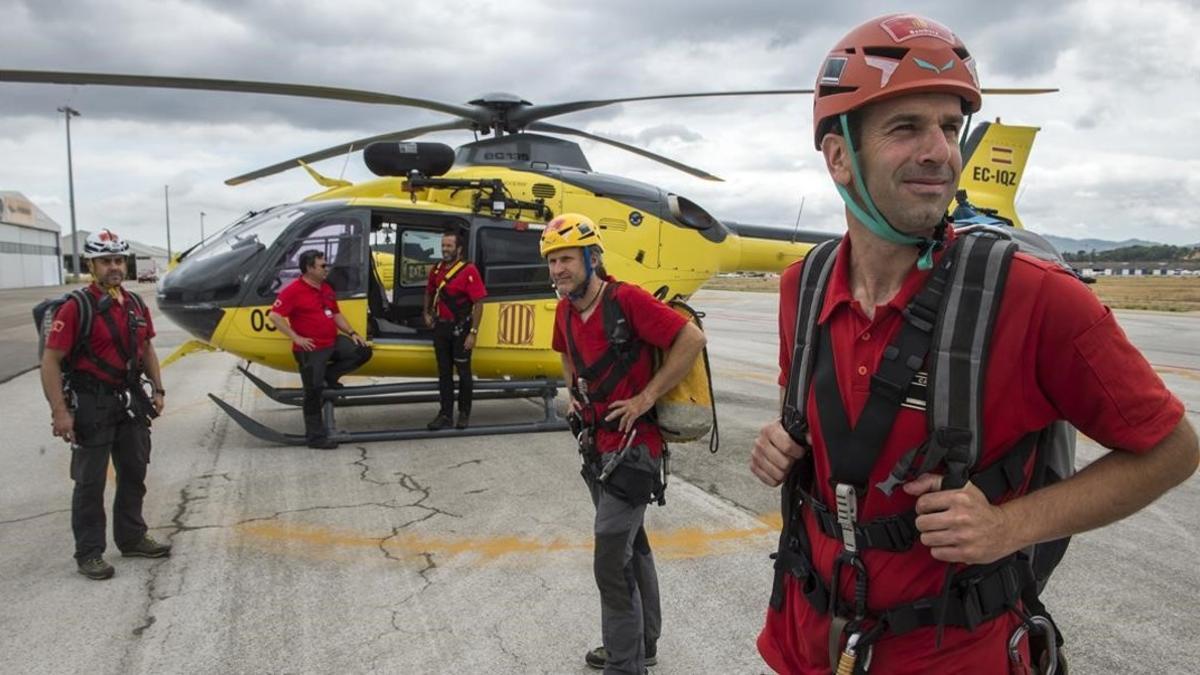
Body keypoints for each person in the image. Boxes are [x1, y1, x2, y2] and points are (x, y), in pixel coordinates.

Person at [749, 14, 1199, 675]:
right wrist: (786, 442)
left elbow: (1171, 449)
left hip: (954, 652)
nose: (941, 151)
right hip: (808, 637)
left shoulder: (1036, 296)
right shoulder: (805, 286)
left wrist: (1007, 528)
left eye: (949, 127)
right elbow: (831, 433)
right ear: (839, 153)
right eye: (907, 128)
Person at [542, 214, 706, 675]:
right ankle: (643, 644)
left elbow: (690, 338)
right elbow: (564, 352)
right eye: (552, 261)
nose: (559, 270)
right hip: (596, 448)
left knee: (611, 559)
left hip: (635, 450)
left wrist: (645, 397)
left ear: (593, 258)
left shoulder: (626, 299)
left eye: (567, 259)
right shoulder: (565, 311)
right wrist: (572, 390)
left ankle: (624, 663)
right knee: (634, 548)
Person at [40, 229, 172, 580]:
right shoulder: (75, 308)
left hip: (129, 401)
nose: (113, 267)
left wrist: (158, 390)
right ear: (91, 265)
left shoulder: (134, 304)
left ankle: (131, 537)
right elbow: (51, 361)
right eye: (105, 261)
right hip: (90, 404)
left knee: (134, 472)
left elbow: (146, 349)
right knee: (90, 483)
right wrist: (60, 411)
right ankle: (89, 553)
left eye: (118, 260)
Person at [268, 250, 372, 449]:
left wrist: (352, 333)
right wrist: (296, 338)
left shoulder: (326, 288)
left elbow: (335, 313)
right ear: (309, 268)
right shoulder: (293, 290)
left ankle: (329, 377)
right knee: (313, 393)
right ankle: (315, 437)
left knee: (362, 352)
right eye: (323, 266)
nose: (327, 268)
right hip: (311, 349)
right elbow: (275, 316)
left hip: (331, 342)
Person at [423, 230, 486, 431]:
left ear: (458, 249)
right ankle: (445, 415)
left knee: (464, 374)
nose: (445, 249)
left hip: (461, 330)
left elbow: (479, 303)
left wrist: (473, 333)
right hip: (441, 328)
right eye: (443, 246)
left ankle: (464, 413)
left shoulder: (469, 271)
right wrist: (426, 313)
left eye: (449, 246)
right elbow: (429, 291)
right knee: (444, 374)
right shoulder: (436, 270)